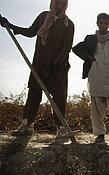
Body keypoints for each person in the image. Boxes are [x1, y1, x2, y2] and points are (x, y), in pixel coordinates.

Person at [0, 0, 74, 136]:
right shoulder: (43, 17)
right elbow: (30, 32)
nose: (60, 6)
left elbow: (66, 49)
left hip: (58, 67)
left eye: (63, 4)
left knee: (59, 96)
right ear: (53, 3)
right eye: (58, 3)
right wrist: (10, 26)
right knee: (34, 91)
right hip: (40, 63)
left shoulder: (68, 24)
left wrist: (54, 65)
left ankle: (61, 128)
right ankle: (27, 124)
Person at [72, 13, 109, 147]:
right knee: (97, 107)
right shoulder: (91, 39)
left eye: (106, 23)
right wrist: (88, 58)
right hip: (96, 75)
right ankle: (99, 136)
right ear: (97, 24)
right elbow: (76, 49)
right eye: (101, 22)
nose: (103, 25)